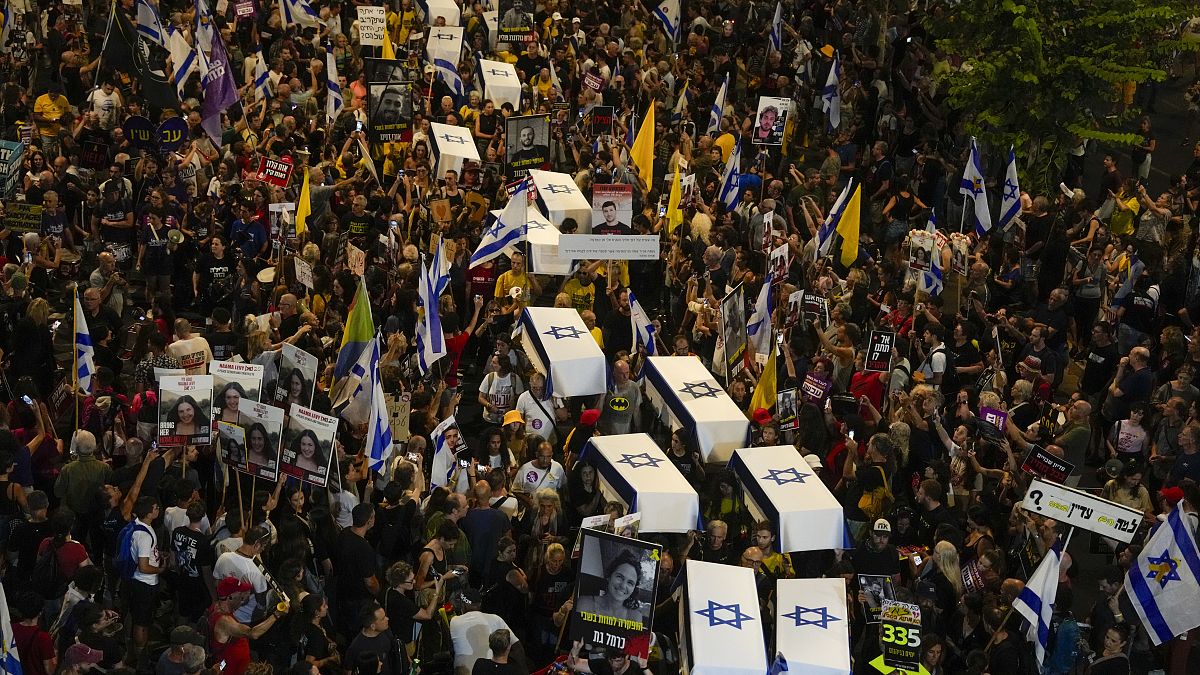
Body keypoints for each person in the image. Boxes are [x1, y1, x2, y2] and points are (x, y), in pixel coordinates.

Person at [575, 548, 646, 624]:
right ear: (609, 576)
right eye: (619, 577)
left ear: (634, 588)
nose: (623, 586)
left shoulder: (635, 617)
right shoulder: (585, 604)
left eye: (630, 583)